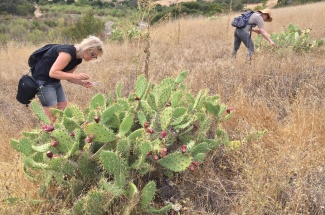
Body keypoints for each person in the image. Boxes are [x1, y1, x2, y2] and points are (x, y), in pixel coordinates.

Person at [31, 35, 104, 121]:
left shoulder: (78, 59)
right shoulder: (67, 53)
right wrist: (76, 75)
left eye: (94, 57)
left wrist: (82, 83)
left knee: (63, 108)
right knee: (52, 115)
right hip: (43, 82)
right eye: (92, 54)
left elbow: (68, 76)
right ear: (86, 49)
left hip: (55, 81)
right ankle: (50, 131)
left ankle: (60, 131)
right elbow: (53, 73)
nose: (92, 58)